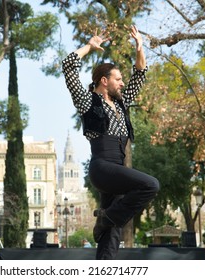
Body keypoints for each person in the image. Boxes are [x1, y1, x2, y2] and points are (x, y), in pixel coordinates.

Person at [61, 25, 160, 260]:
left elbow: (140, 73)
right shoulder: (88, 101)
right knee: (150, 185)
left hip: (118, 169)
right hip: (103, 168)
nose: (123, 83)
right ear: (104, 81)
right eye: (118, 79)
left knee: (111, 234)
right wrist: (89, 46)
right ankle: (106, 217)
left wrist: (139, 48)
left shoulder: (122, 103)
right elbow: (68, 66)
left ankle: (104, 264)